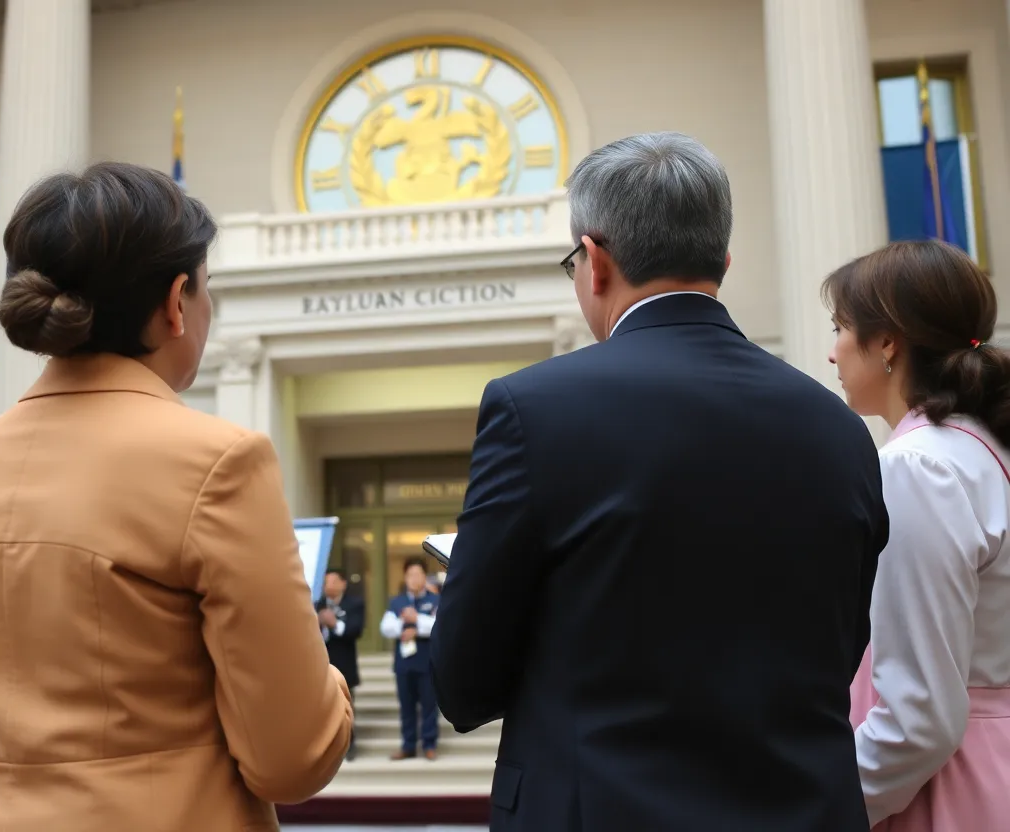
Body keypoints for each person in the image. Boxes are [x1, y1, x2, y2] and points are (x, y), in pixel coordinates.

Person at [430, 132, 889, 831]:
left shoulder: (533, 409)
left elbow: (463, 684)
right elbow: (842, 647)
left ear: (594, 261)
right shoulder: (840, 429)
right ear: (723, 263)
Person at [0, 162, 352, 832]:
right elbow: (293, 758)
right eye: (207, 288)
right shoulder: (219, 462)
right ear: (177, 302)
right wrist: (327, 685)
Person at [824, 240, 1010, 830]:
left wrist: (824, 806)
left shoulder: (919, 467)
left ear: (887, 341)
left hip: (946, 788)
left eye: (839, 328)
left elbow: (919, 717)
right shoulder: (983, 447)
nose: (831, 352)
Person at [380, 557, 439, 761]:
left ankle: (429, 744)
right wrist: (404, 626)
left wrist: (417, 622)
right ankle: (408, 745)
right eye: (410, 575)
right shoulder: (396, 602)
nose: (414, 579)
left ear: (425, 577)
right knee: (406, 706)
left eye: (418, 574)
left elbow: (440, 625)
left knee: (429, 705)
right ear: (405, 578)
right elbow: (386, 627)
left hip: (427, 663)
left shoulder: (435, 600)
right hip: (404, 664)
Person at [316, 568, 364, 760]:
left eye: (334, 581)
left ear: (343, 584)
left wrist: (334, 624)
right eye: (326, 582)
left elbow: (356, 630)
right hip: (320, 665)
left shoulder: (354, 604)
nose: (329, 586)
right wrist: (319, 623)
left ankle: (348, 745)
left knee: (345, 707)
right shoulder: (316, 604)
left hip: (344, 664)